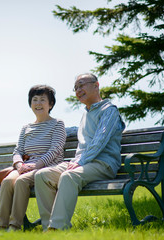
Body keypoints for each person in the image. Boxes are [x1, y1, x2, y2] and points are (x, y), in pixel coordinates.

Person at [34, 73, 126, 231]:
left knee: (69, 176)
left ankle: (57, 227)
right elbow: (80, 132)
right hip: (83, 164)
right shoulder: (86, 114)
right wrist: (50, 130)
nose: (78, 90)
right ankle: (48, 227)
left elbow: (100, 140)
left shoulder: (109, 110)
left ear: (96, 85)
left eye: (82, 85)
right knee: (42, 176)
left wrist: (79, 162)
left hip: (103, 164)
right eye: (76, 88)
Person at [0, 85, 67, 231]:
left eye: (42, 100)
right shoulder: (26, 127)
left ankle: (14, 225)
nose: (38, 103)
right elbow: (18, 150)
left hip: (47, 167)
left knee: (21, 181)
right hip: (25, 166)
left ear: (51, 104)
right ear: (30, 104)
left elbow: (56, 149)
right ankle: (1, 226)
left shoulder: (57, 124)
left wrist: (36, 165)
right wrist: (19, 164)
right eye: (34, 100)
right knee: (7, 181)